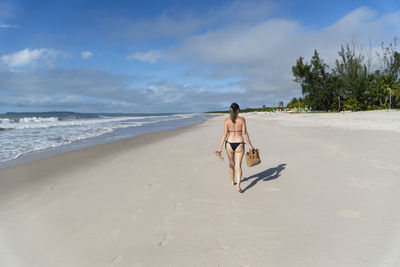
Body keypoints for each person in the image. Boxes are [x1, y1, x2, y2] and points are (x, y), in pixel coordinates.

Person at [216, 103, 254, 193]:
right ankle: (238, 186)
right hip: (239, 143)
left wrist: (220, 147)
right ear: (238, 110)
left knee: (231, 163)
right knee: (238, 165)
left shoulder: (226, 120)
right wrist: (250, 145)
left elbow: (225, 134)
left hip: (229, 144)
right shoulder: (242, 120)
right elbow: (244, 133)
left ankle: (232, 181)